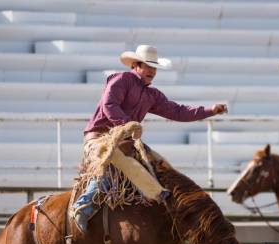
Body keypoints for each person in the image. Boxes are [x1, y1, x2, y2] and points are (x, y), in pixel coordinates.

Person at [73, 45, 228, 231]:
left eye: (154, 68)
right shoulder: (121, 80)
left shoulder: (152, 95)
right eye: (148, 66)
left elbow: (178, 112)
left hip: (126, 142)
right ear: (136, 66)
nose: (152, 71)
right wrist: (127, 124)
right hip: (99, 139)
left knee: (160, 165)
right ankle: (83, 206)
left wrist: (210, 110)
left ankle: (167, 205)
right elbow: (109, 104)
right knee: (115, 162)